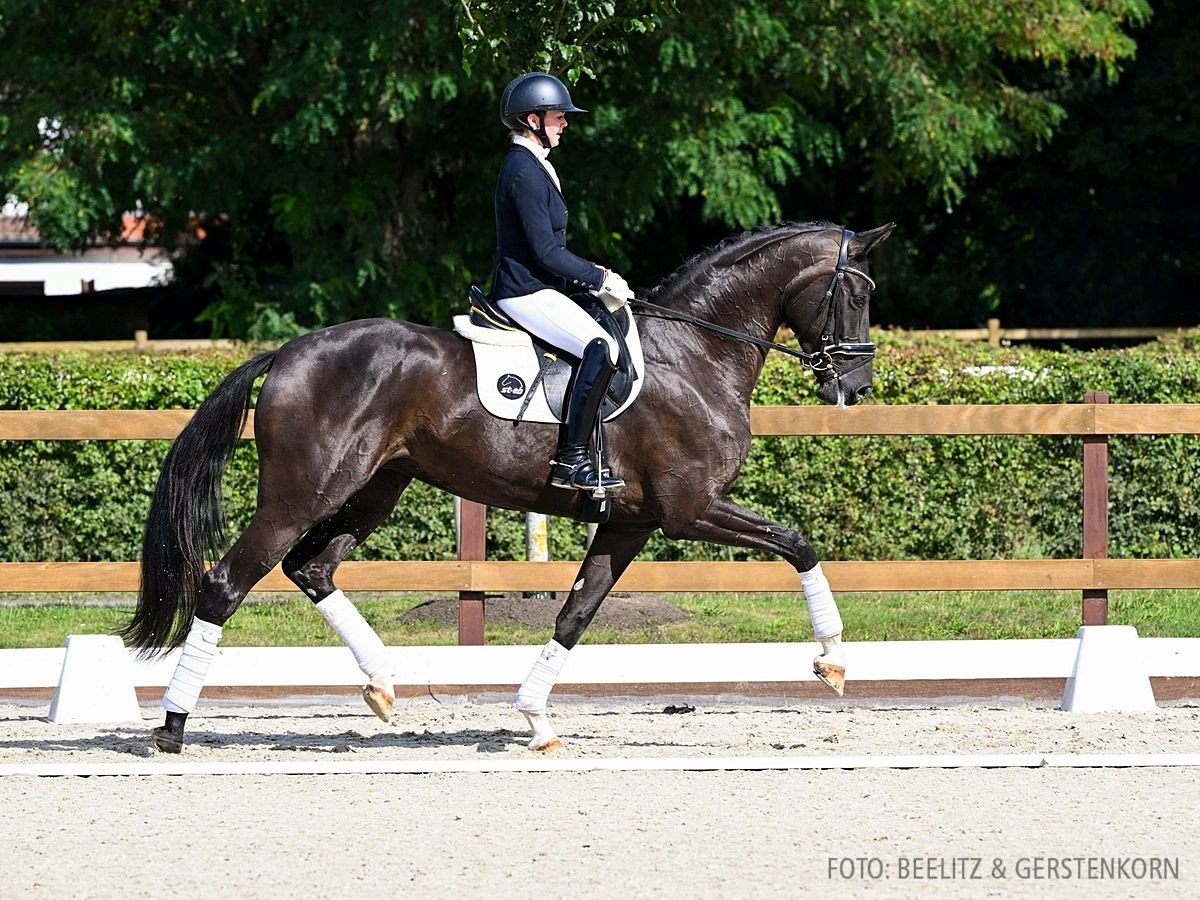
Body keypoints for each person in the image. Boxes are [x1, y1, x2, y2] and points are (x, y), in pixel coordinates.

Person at [491, 72, 633, 492]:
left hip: (541, 285)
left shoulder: (534, 165)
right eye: (558, 117)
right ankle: (571, 460)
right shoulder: (523, 172)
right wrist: (600, 276)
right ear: (533, 120)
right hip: (524, 290)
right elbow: (546, 253)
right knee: (602, 349)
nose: (565, 123)